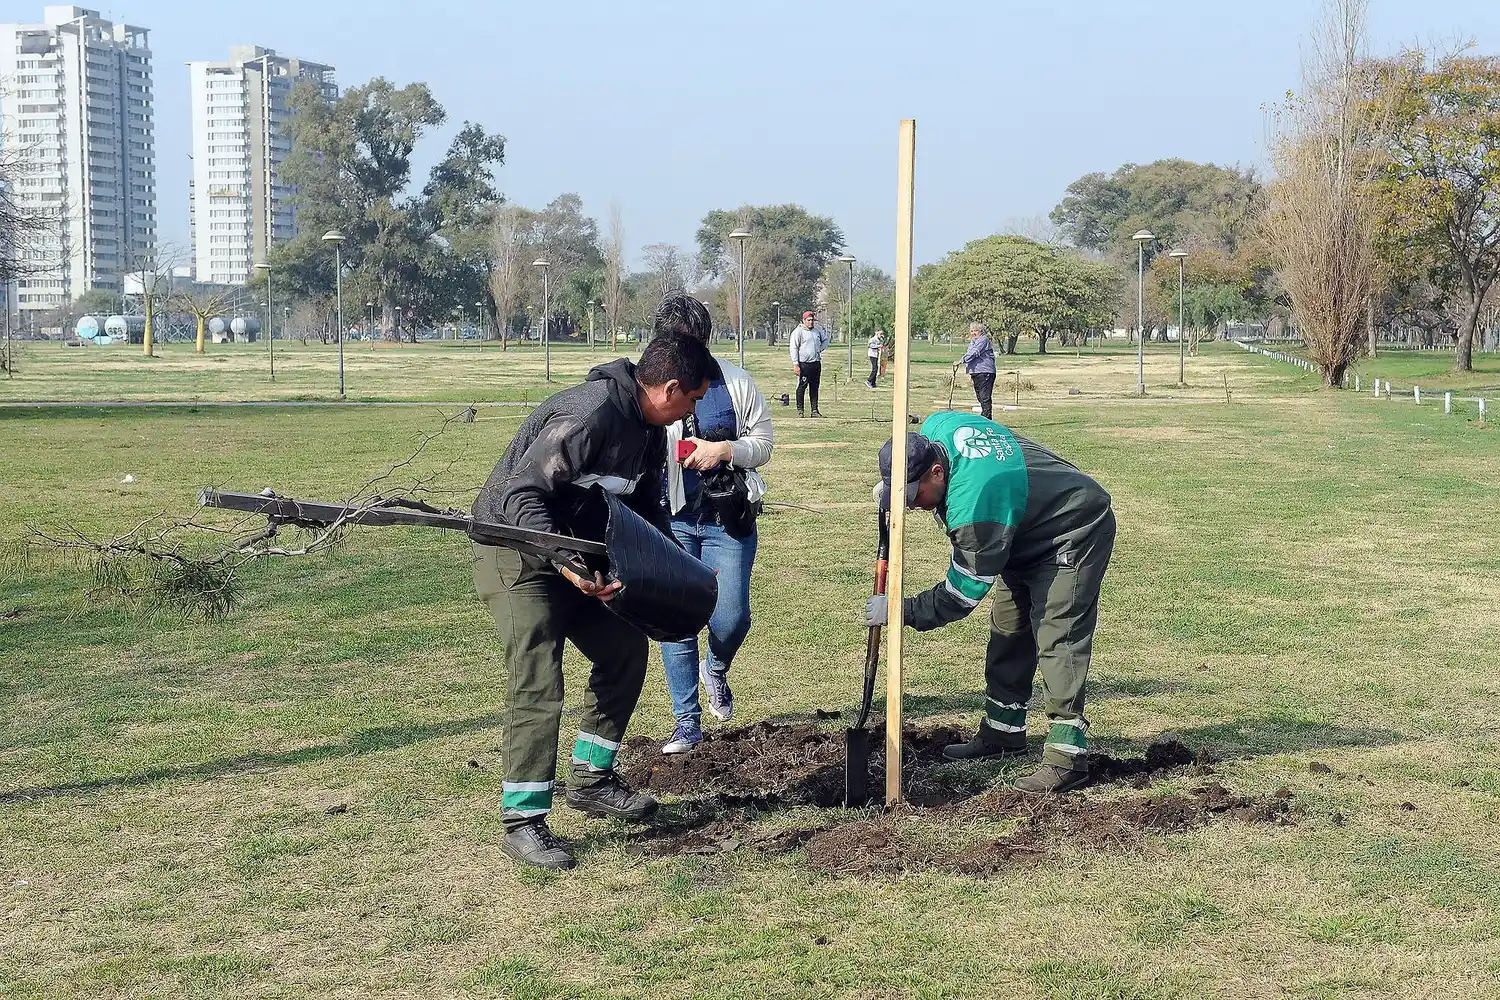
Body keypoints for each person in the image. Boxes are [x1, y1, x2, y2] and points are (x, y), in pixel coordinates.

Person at [471, 334, 716, 870]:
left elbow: (644, 512)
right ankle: (524, 819)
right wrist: (571, 566)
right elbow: (521, 495)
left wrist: (669, 571)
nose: (692, 411)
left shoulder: (650, 430)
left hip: (577, 556)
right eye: (693, 399)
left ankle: (590, 781)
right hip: (516, 553)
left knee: (625, 650)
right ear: (670, 388)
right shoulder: (593, 414)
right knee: (539, 675)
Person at [864, 412, 1116, 794]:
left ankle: (1068, 759)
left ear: (937, 471)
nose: (912, 505)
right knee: (1009, 629)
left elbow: (960, 596)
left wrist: (902, 610)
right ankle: (1003, 734)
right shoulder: (937, 428)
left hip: (1071, 530)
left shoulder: (975, 509)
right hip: (1021, 528)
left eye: (915, 494)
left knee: (1057, 635)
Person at [651, 295, 775, 753]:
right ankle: (686, 722)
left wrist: (725, 451)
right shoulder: (648, 388)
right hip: (670, 519)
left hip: (727, 519)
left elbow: (763, 444)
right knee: (676, 617)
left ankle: (716, 667)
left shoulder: (737, 382)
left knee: (731, 617)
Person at [789, 311, 830, 417]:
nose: (811, 322)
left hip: (815, 363)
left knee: (815, 387)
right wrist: (795, 364)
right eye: (809, 320)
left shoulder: (817, 331)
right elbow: (793, 348)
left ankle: (814, 410)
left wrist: (819, 349)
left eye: (812, 320)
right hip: (804, 364)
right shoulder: (798, 332)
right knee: (802, 386)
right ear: (804, 320)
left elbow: (825, 340)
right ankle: (800, 410)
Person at [959, 321, 997, 419]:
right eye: (971, 331)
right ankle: (985, 415)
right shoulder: (973, 341)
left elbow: (975, 353)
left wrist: (961, 360)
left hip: (985, 371)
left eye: (976, 331)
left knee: (984, 397)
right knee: (980, 396)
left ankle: (986, 417)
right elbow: (971, 352)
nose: (973, 333)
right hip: (976, 372)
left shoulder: (983, 340)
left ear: (981, 331)